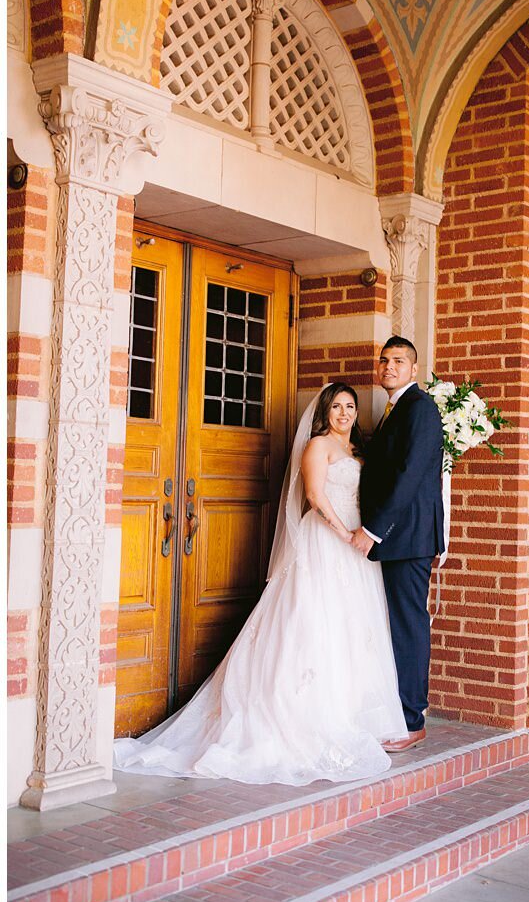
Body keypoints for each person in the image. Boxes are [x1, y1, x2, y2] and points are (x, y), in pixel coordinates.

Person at [114, 383, 407, 784]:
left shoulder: (358, 451)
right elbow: (316, 496)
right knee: (310, 624)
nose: (344, 413)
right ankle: (296, 714)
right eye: (336, 406)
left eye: (350, 406)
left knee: (352, 629)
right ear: (325, 411)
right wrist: (344, 534)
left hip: (356, 548)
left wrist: (365, 534)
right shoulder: (318, 446)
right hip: (327, 541)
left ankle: (347, 712)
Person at [352, 336, 445, 752]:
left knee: (408, 625)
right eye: (384, 360)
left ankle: (412, 719)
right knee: (393, 623)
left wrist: (373, 529)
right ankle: (395, 710)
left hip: (407, 538)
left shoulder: (421, 409)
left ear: (413, 369)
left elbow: (408, 476)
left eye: (399, 361)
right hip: (398, 538)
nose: (389, 366)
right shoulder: (395, 411)